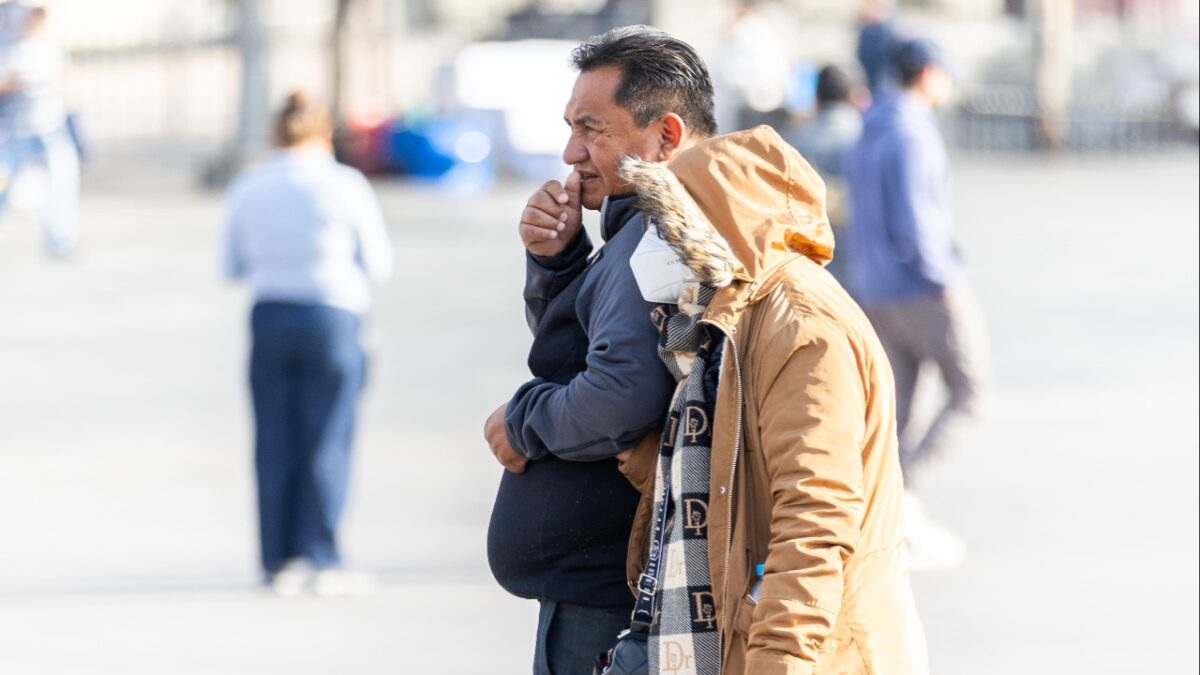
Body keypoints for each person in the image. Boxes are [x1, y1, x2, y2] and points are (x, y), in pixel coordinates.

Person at [615, 123, 928, 674]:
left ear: (719, 222)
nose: (656, 241)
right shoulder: (728, 319)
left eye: (668, 223)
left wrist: (778, 660)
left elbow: (814, 522)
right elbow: (730, 476)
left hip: (821, 656)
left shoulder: (802, 328)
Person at [480, 26, 715, 675]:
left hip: (604, 602)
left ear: (665, 137)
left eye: (593, 130)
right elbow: (585, 349)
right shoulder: (640, 234)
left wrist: (524, 420)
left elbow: (620, 393)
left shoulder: (657, 240)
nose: (571, 151)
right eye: (570, 127)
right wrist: (561, 263)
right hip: (597, 590)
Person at [221, 91, 393, 597]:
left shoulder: (249, 184)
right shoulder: (344, 184)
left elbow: (230, 265)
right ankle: (322, 555)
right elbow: (378, 264)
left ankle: (277, 559)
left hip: (270, 314)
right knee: (327, 439)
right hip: (332, 315)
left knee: (273, 440)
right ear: (322, 133)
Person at [842, 38, 989, 570]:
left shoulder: (870, 128)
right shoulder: (912, 132)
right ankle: (905, 500)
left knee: (896, 411)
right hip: (921, 286)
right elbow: (918, 222)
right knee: (970, 391)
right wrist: (943, 279)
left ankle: (890, 516)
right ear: (927, 74)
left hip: (876, 289)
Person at [0, 4, 79, 258]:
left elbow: (64, 79)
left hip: (49, 125)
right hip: (14, 129)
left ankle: (60, 238)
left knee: (63, 179)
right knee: (3, 183)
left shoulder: (48, 47)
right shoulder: (9, 47)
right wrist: (16, 81)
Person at [786, 64, 863, 284]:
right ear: (853, 95)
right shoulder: (866, 138)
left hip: (811, 254)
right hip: (860, 250)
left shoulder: (795, 139)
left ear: (817, 97)